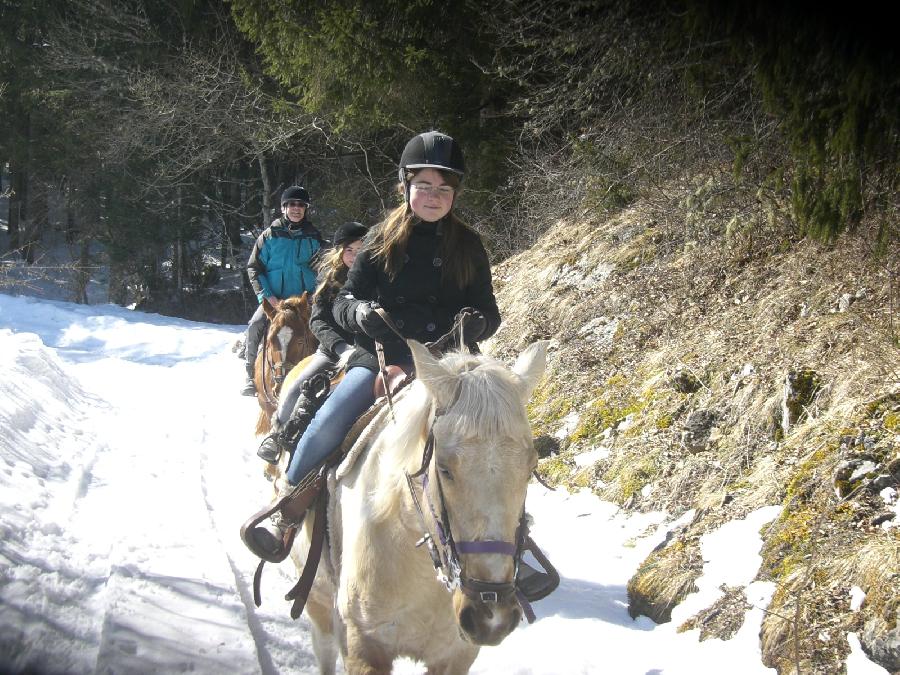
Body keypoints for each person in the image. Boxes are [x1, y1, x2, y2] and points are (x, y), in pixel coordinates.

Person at [244, 130, 500, 558]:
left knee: (502, 433)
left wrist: (478, 323)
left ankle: (508, 537)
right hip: (386, 355)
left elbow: (490, 310)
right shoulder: (382, 239)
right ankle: (285, 510)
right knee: (330, 419)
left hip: (450, 362)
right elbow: (344, 300)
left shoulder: (470, 245)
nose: (433, 197)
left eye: (443, 188)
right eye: (424, 187)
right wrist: (360, 313)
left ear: (454, 193)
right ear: (406, 187)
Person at [255, 221, 369, 464]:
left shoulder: (377, 280)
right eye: (350, 250)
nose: (355, 255)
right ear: (340, 253)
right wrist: (340, 347)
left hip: (368, 353)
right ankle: (277, 436)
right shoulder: (328, 284)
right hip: (332, 352)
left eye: (361, 250)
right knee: (296, 389)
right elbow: (318, 322)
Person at [241, 186, 324, 396]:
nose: (297, 208)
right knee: (255, 325)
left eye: (301, 205)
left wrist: (316, 293)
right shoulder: (269, 236)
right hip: (275, 301)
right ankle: (251, 375)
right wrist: (267, 296)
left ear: (306, 209)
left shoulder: (314, 237)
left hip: (305, 303)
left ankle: (326, 373)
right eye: (292, 204)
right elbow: (254, 268)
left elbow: (325, 269)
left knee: (324, 329)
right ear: (284, 208)